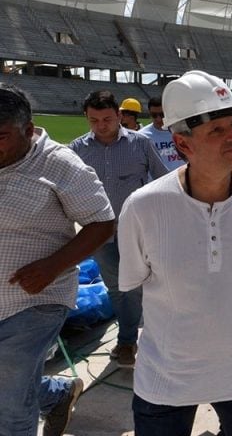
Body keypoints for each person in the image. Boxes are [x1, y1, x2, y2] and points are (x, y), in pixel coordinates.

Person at [118, 70, 232, 436]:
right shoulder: (144, 207)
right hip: (165, 382)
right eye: (216, 130)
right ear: (183, 144)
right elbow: (132, 280)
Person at [0, 84, 115, 436]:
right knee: (9, 385)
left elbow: (103, 222)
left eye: (0, 136)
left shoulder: (60, 165)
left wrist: (51, 267)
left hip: (35, 299)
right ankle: (58, 395)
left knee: (10, 402)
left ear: (28, 129)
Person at [70, 90, 168, 368]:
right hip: (99, 234)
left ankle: (150, 334)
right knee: (117, 287)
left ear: (119, 116)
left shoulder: (140, 144)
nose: (102, 125)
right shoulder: (77, 150)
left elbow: (164, 179)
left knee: (145, 284)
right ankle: (127, 341)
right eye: (94, 120)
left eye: (107, 119)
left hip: (139, 232)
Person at [139, 96, 186, 171]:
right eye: (154, 115)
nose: (158, 119)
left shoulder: (181, 131)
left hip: (181, 179)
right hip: (158, 181)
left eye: (162, 115)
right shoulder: (142, 136)